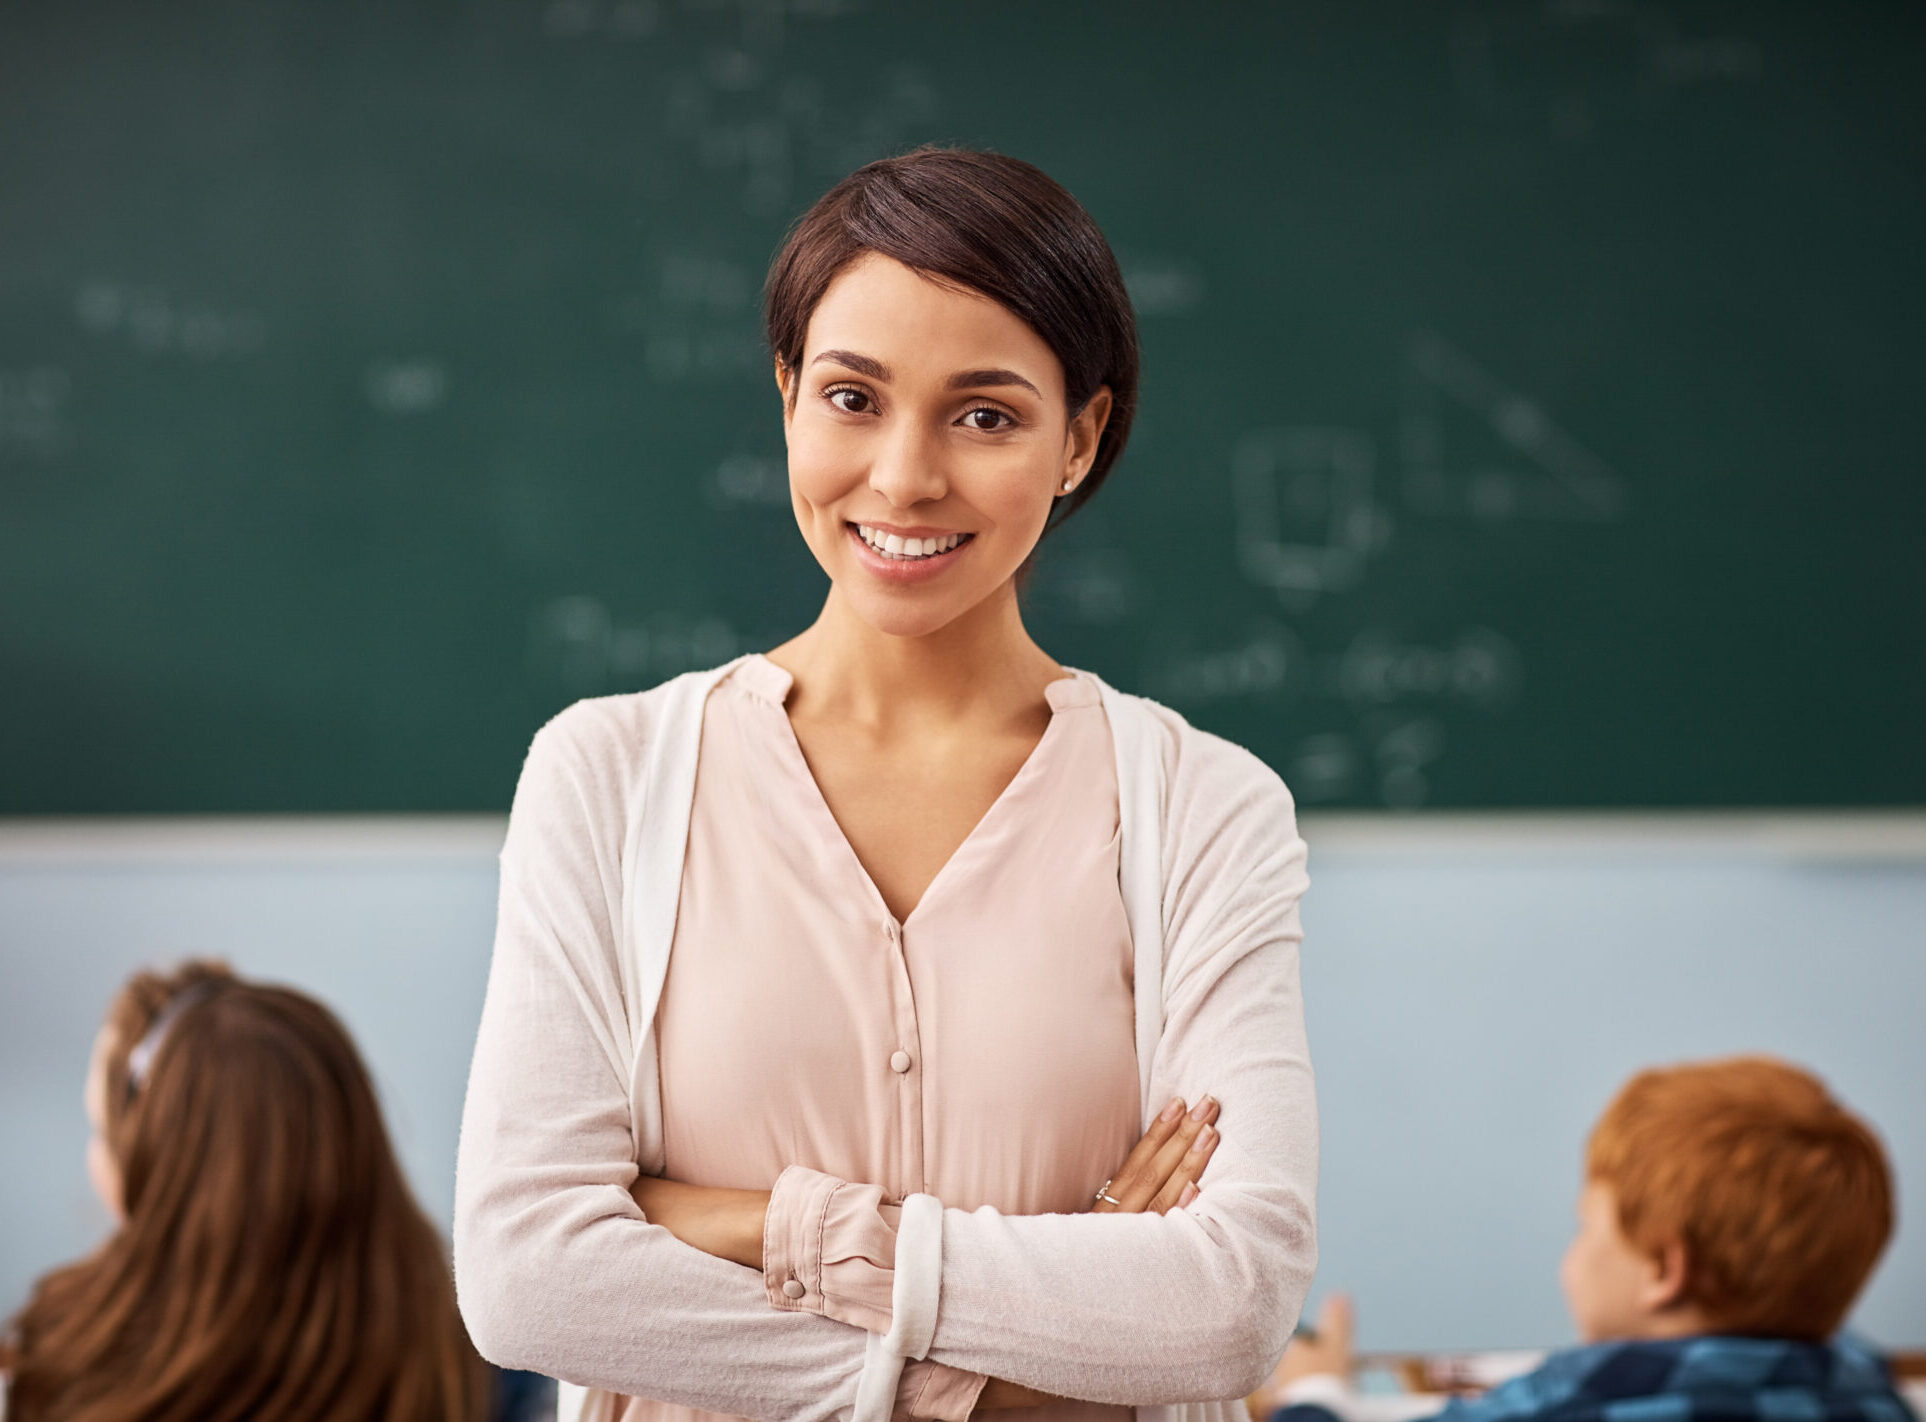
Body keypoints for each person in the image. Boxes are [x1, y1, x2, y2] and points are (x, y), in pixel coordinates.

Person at [454, 146, 1318, 1422]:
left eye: (985, 415)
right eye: (853, 398)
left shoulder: (1206, 808)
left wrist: (766, 1227)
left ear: (1081, 438)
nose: (906, 477)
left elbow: (1231, 1301)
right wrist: (1027, 1366)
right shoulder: (611, 775)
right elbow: (530, 1282)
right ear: (789, 396)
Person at [1249, 1056, 1913, 1422]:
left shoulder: (1581, 1398)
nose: (1577, 1248)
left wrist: (1315, 1397)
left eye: (1588, 1225)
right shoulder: (1866, 1392)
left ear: (1664, 1273)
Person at [0, 960, 492, 1421]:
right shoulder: (470, 1363)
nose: (94, 1160)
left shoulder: (57, 1370)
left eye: (101, 1134)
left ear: (168, 1183)